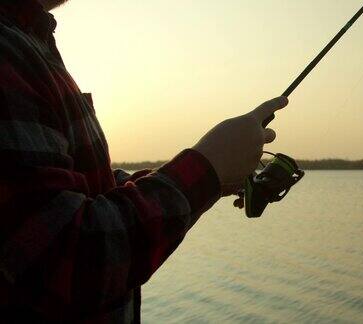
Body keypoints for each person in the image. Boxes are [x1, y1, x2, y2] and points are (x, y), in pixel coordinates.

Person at [0, 0, 288, 322]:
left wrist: (212, 174)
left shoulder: (29, 39)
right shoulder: (7, 49)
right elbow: (64, 259)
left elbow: (81, 190)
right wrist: (204, 169)